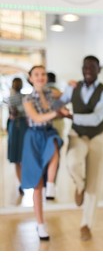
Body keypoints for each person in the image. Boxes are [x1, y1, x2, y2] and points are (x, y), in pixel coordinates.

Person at [56, 55, 103, 241]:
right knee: (72, 163)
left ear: (99, 70)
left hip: (97, 137)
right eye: (85, 67)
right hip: (77, 135)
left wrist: (71, 116)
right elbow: (58, 105)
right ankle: (79, 186)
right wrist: (61, 91)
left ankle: (86, 224)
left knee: (94, 183)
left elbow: (96, 118)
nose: (88, 70)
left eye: (92, 67)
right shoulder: (73, 87)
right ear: (82, 69)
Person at [21, 65, 69, 240]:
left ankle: (51, 185)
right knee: (36, 185)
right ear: (31, 78)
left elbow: (65, 99)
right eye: (36, 75)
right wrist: (56, 113)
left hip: (48, 134)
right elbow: (37, 118)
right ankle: (40, 225)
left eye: (43, 74)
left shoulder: (51, 93)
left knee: (55, 144)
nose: (40, 77)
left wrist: (70, 89)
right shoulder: (27, 99)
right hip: (33, 138)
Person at [7, 77, 28, 196]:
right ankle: (21, 183)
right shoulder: (12, 98)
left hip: (22, 126)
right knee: (16, 158)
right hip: (16, 127)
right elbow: (13, 113)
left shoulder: (25, 98)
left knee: (23, 157)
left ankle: (23, 182)